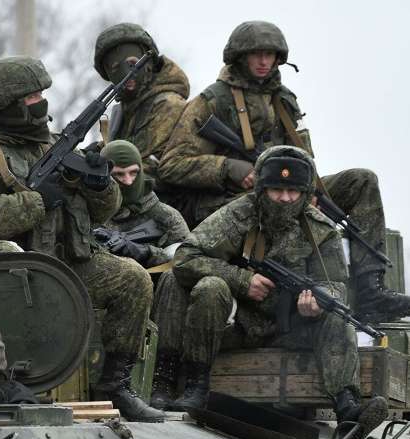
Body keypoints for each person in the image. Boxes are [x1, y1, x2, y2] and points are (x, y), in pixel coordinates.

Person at [0, 56, 163, 422]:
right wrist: (37, 201)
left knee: (133, 279)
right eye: (32, 97)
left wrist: (99, 183)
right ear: (7, 104)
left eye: (42, 94)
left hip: (67, 263)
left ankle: (115, 385)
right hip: (10, 271)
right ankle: (8, 385)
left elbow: (103, 212)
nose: (42, 103)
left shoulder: (54, 144)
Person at [157, 20, 409, 321]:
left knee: (362, 180)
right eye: (256, 54)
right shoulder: (212, 101)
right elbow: (171, 165)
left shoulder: (284, 100)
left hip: (288, 190)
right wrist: (227, 168)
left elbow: (305, 157)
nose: (264, 61)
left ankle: (370, 292)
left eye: (270, 54)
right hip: (232, 199)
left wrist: (308, 190)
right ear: (240, 56)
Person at [159, 146, 387, 439]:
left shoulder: (320, 229)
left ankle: (348, 410)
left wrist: (316, 303)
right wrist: (242, 280)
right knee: (210, 288)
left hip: (290, 330)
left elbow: (336, 286)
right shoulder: (238, 214)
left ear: (305, 192)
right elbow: (185, 258)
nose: (285, 198)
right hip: (235, 325)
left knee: (337, 315)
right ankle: (196, 387)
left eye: (293, 191)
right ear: (262, 188)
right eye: (277, 189)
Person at [93, 23, 190, 179]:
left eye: (132, 64)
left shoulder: (169, 106)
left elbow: (151, 168)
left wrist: (106, 172)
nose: (126, 73)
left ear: (149, 63)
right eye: (115, 68)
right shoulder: (124, 112)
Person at [93, 140, 188, 268]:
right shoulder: (91, 213)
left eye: (133, 172)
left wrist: (146, 252)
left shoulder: (167, 217)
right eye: (118, 174)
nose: (128, 181)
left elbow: (186, 260)